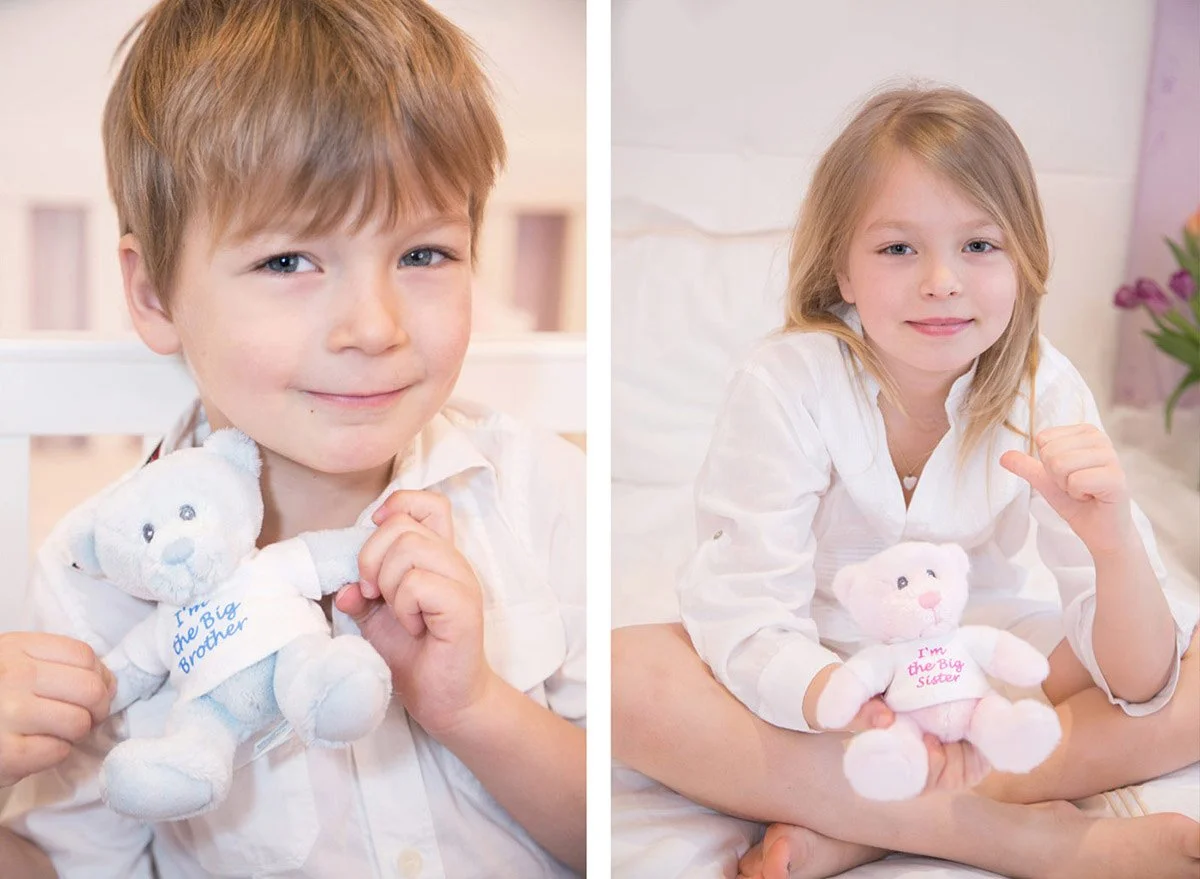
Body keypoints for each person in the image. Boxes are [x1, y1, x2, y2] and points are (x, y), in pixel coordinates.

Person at [0, 1, 585, 876]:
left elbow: (616, 830)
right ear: (155, 294)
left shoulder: (541, 495)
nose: (375, 327)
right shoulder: (99, 581)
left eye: (423, 254)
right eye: (287, 262)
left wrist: (473, 707)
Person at [612, 85, 1199, 879]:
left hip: (972, 663)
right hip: (823, 678)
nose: (941, 280)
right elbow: (747, 611)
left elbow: (1140, 681)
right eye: (898, 249)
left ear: (1024, 260)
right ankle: (1025, 837)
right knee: (628, 675)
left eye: (979, 244)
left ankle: (868, 821)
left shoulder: (1043, 387)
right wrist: (852, 701)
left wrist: (1114, 542)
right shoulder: (787, 382)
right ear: (842, 270)